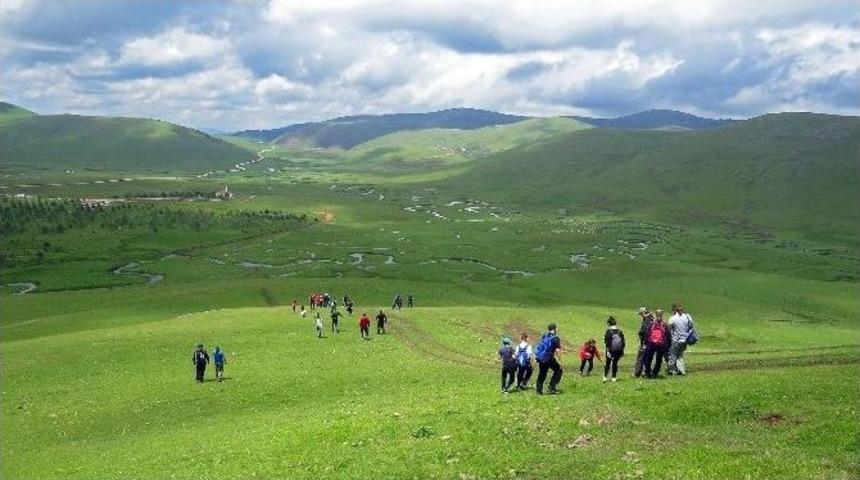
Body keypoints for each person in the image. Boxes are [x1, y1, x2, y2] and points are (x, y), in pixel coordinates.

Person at [534, 323, 563, 395]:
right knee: (558, 370)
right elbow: (557, 350)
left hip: (541, 357)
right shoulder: (556, 338)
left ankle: (539, 391)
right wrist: (560, 361)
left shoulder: (544, 335)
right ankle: (551, 388)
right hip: (549, 358)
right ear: (555, 329)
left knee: (542, 373)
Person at [667, 303, 694, 375]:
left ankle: (672, 371)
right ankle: (682, 371)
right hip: (685, 340)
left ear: (674, 310)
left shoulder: (673, 318)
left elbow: (669, 328)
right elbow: (691, 326)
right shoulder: (687, 317)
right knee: (680, 355)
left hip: (676, 340)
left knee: (673, 355)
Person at [643, 309, 670, 378]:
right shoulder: (664, 324)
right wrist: (668, 345)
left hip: (651, 343)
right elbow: (668, 335)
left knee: (649, 359)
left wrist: (646, 342)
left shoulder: (652, 323)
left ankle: (648, 373)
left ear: (655, 314)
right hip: (661, 344)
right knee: (659, 360)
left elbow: (647, 333)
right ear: (662, 315)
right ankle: (654, 373)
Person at [603, 316, 625, 382]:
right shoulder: (620, 331)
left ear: (609, 324)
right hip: (618, 350)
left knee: (608, 363)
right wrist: (622, 351)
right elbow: (623, 342)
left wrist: (608, 351)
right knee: (615, 363)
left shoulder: (608, 331)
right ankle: (614, 377)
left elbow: (607, 342)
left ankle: (605, 377)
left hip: (610, 350)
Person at [634, 307, 654, 377]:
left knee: (640, 357)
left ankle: (637, 373)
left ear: (643, 313)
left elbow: (645, 332)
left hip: (645, 342)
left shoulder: (646, 320)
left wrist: (640, 333)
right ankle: (647, 372)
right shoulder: (652, 319)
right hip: (652, 342)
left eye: (640, 314)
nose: (640, 316)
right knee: (647, 357)